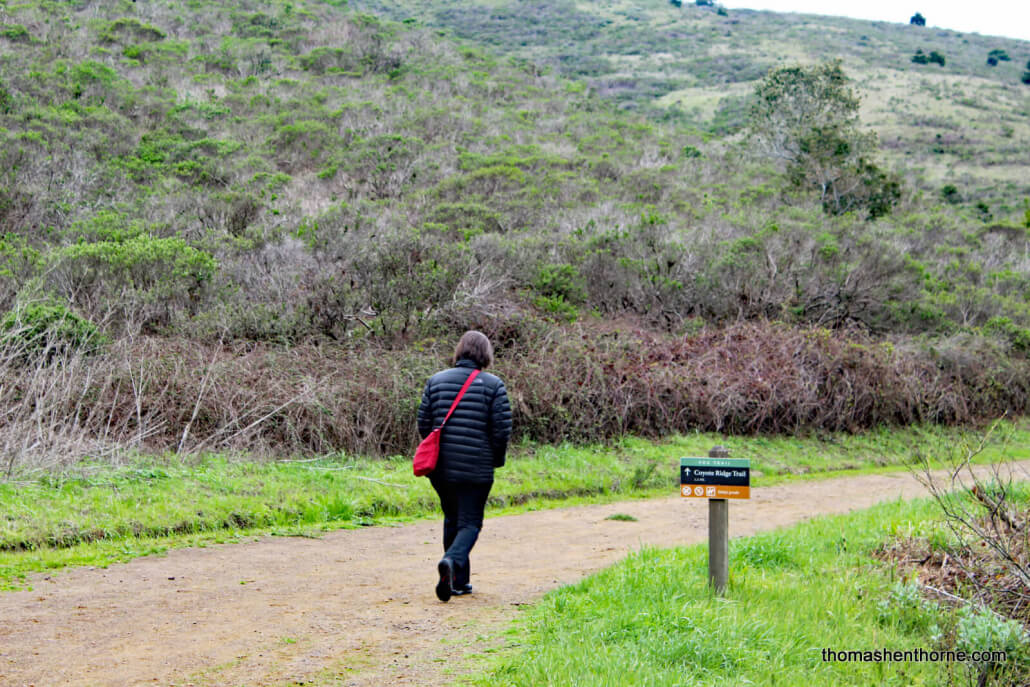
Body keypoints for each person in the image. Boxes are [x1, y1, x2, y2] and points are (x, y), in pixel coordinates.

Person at [417, 331, 512, 602]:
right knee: (470, 522)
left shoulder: (436, 381)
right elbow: (501, 429)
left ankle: (459, 582)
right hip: (477, 466)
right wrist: (495, 459)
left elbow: (424, 423)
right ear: (485, 354)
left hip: (442, 467)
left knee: (452, 518)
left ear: (459, 351)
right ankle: (451, 560)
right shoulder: (493, 385)